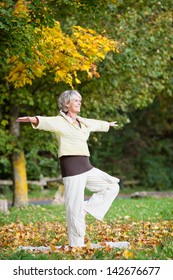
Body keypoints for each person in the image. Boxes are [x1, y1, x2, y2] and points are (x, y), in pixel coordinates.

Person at [16, 89, 120, 247]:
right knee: (73, 207)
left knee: (112, 186)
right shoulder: (60, 121)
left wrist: (107, 125)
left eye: (80, 100)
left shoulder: (82, 121)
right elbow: (46, 121)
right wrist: (32, 119)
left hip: (86, 166)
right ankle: (77, 245)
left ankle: (85, 209)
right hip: (71, 169)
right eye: (76, 100)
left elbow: (95, 123)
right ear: (66, 104)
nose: (79, 102)